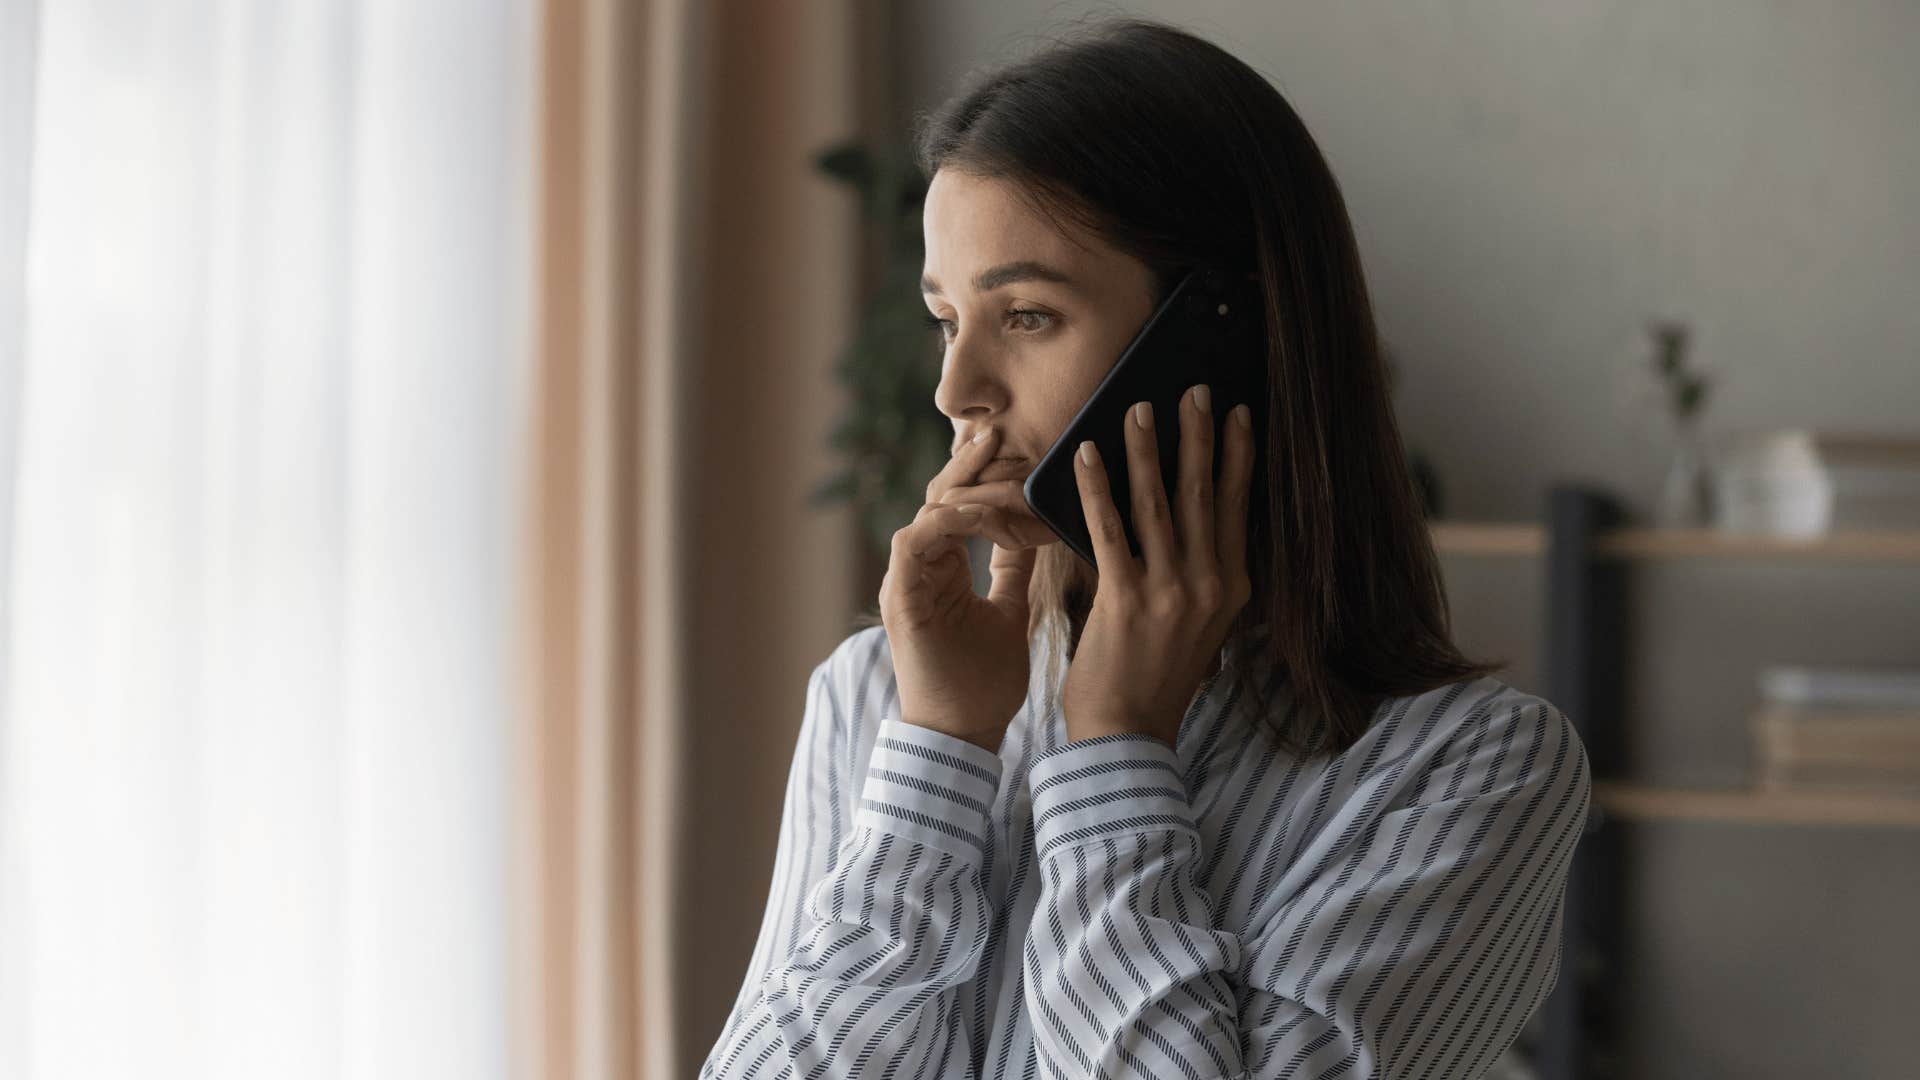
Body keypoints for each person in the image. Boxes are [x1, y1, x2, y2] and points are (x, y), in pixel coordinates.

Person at [700, 16, 1590, 1080]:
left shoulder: (1467, 773)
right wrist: (938, 752)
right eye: (949, 318)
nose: (955, 391)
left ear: (1216, 340)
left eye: (1026, 315)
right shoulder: (876, 699)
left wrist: (1117, 746)